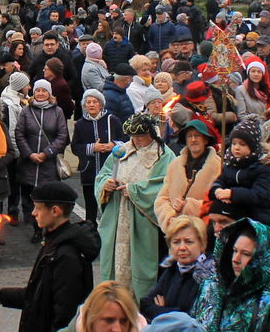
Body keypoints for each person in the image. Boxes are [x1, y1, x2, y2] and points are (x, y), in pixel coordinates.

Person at [0, 181, 101, 332]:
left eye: (38, 208)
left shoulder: (66, 256)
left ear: (55, 211)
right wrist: (2, 295)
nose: (33, 213)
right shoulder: (53, 244)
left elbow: (65, 315)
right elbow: (39, 295)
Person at [95, 113, 172, 302]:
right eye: (133, 137)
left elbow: (166, 185)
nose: (136, 141)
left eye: (140, 137)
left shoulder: (164, 155)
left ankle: (141, 308)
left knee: (141, 268)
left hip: (142, 221)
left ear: (151, 135)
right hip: (118, 215)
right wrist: (106, 184)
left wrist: (136, 190)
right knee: (115, 267)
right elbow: (102, 174)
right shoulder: (122, 151)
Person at [16, 80, 70, 231]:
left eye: (44, 91)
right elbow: (19, 134)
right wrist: (29, 154)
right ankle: (35, 229)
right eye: (38, 90)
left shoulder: (57, 111)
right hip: (29, 162)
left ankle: (48, 226)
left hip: (49, 163)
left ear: (49, 93)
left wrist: (47, 153)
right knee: (29, 197)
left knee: (47, 197)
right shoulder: (26, 111)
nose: (40, 93)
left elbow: (62, 136)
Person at [207, 117, 270, 228]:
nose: (236, 148)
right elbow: (220, 181)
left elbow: (259, 195)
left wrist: (232, 194)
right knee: (213, 220)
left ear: (253, 147)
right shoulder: (230, 164)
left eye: (242, 144)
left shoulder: (264, 167)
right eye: (234, 143)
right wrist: (217, 191)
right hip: (234, 208)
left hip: (258, 213)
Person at [155, 121, 222, 234]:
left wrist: (190, 206)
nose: (193, 139)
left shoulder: (218, 166)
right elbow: (162, 199)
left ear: (205, 140)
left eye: (197, 135)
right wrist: (170, 217)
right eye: (189, 136)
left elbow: (218, 203)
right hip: (176, 231)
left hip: (204, 233)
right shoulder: (174, 165)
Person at [139, 215, 212, 319]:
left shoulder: (209, 276)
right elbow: (144, 305)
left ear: (202, 244)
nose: (182, 247)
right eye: (176, 242)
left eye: (189, 242)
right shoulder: (172, 269)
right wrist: (172, 312)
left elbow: (195, 317)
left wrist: (163, 311)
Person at [72, 89, 125, 225]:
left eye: (94, 102)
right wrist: (92, 148)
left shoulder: (112, 120)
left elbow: (124, 139)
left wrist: (112, 145)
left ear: (101, 104)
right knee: (90, 207)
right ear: (84, 106)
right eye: (88, 102)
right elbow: (75, 147)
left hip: (109, 172)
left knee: (110, 206)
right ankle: (91, 233)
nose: (91, 105)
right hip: (89, 172)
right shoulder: (80, 124)